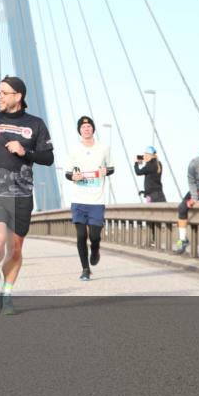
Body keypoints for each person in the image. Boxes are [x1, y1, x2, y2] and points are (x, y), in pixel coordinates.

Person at [0, 76, 54, 315]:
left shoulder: (35, 124)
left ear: (18, 96)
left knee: (15, 249)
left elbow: (48, 158)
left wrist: (24, 150)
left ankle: (6, 293)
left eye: (4, 92)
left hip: (21, 192)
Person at [64, 116, 114, 281]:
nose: (86, 129)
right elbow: (67, 173)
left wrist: (107, 171)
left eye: (89, 126)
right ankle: (85, 269)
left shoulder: (103, 148)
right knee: (80, 236)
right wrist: (74, 177)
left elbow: (111, 167)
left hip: (96, 200)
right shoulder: (74, 150)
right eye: (83, 127)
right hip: (79, 199)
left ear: (93, 129)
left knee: (94, 236)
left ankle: (96, 248)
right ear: (79, 130)